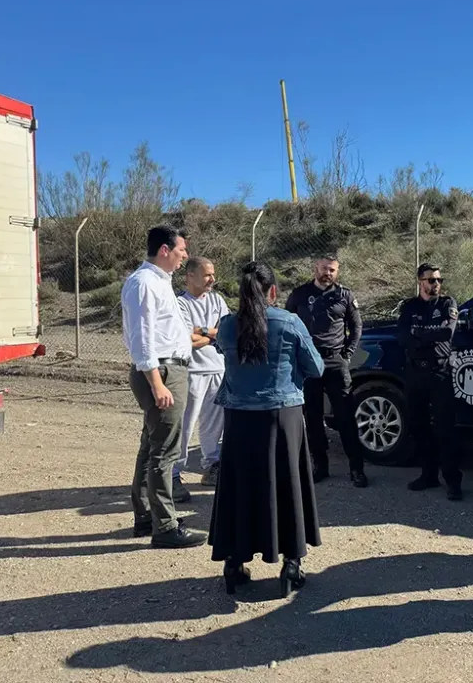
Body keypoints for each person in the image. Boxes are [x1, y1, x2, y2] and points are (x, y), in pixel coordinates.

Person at [208, 262, 325, 597]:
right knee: (288, 484)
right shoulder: (289, 323)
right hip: (281, 416)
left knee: (239, 486)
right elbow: (315, 367)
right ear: (273, 292)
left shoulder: (228, 326)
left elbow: (222, 351)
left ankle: (234, 561)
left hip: (239, 417)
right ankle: (291, 563)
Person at [121, 225, 206, 549]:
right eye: (182, 249)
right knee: (164, 452)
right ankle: (165, 527)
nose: (186, 255)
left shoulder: (159, 282)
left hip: (168, 369)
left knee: (152, 446)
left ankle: (148, 516)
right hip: (163, 372)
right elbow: (143, 340)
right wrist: (157, 383)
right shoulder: (144, 283)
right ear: (165, 250)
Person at [285, 254, 367, 488]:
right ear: (315, 268)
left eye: (332, 270)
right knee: (312, 417)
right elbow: (288, 323)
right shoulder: (299, 294)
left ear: (336, 272)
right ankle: (320, 466)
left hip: (335, 362)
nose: (327, 273)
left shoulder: (345, 295)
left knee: (345, 417)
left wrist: (348, 353)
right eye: (324, 269)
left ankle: (356, 468)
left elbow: (356, 326)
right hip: (308, 363)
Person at [398, 263, 462, 500]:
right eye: (431, 280)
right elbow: (402, 337)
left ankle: (453, 481)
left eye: (438, 280)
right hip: (415, 373)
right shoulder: (410, 307)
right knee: (419, 425)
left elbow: (447, 333)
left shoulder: (447, 304)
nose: (436, 284)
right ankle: (428, 475)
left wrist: (418, 337)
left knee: (445, 428)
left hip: (439, 371)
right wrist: (425, 339)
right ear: (420, 282)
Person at [174, 256, 230, 497]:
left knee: (214, 424)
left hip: (218, 369)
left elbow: (227, 331)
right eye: (207, 274)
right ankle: (174, 473)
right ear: (190, 276)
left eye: (213, 274)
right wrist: (213, 336)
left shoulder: (217, 300)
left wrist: (202, 332)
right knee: (185, 425)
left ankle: (211, 467)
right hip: (192, 372)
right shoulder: (180, 303)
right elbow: (185, 338)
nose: (212, 279)